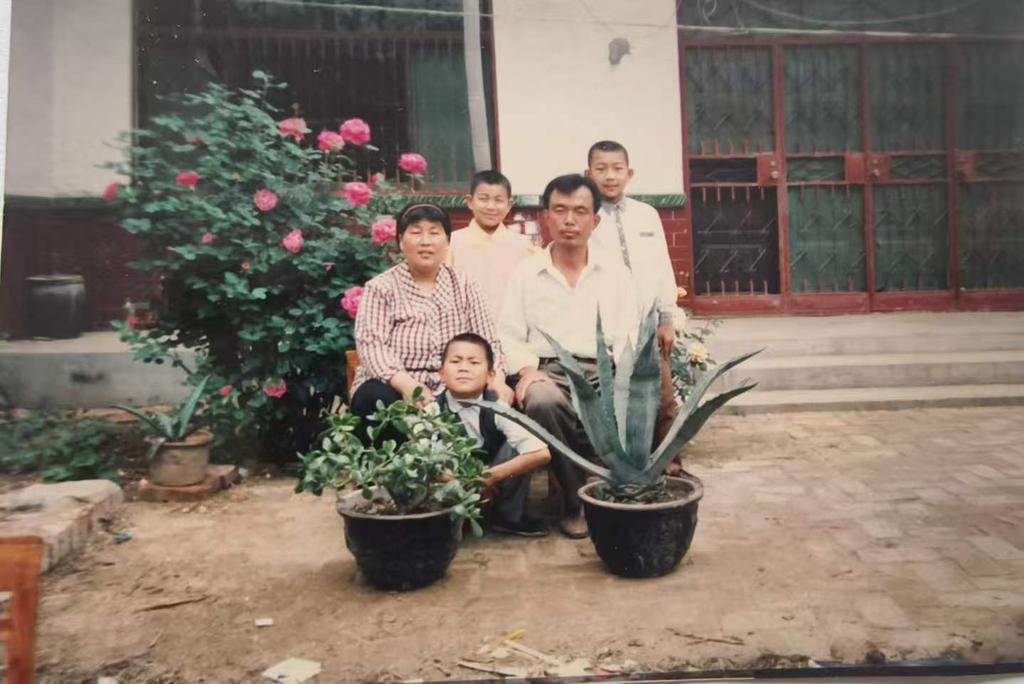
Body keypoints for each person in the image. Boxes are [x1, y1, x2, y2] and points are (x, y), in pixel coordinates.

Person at [499, 174, 638, 539]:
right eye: (560, 210)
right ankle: (575, 502)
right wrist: (528, 371)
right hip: (551, 371)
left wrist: (627, 377)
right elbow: (510, 334)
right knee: (542, 400)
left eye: (580, 211)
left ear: (596, 220)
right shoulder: (527, 274)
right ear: (546, 216)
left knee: (633, 398)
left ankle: (622, 490)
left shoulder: (615, 273)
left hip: (603, 370)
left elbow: (628, 334)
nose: (570, 220)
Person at [351, 202, 514, 440]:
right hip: (394, 384)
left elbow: (488, 341)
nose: (426, 241)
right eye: (416, 232)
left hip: (453, 385)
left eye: (435, 232)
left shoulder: (465, 285)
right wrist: (407, 385)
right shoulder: (380, 288)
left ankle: (474, 474)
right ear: (400, 241)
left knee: (496, 405)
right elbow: (371, 346)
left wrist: (497, 378)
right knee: (376, 399)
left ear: (447, 242)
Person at [585, 140, 680, 450]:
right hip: (606, 328)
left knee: (663, 399)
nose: (610, 176)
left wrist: (666, 319)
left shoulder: (647, 214)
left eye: (617, 169)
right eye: (601, 169)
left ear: (630, 173)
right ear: (589, 173)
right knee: (616, 401)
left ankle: (670, 464)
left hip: (647, 326)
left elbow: (662, 268)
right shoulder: (585, 218)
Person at [434, 333, 551, 537]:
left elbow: (541, 453)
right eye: (455, 361)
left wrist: (488, 478)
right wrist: (464, 482)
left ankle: (508, 516)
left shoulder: (497, 408)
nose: (464, 368)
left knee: (518, 446)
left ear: (490, 375)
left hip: (493, 478)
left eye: (474, 362)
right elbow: (421, 462)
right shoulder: (431, 411)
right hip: (452, 484)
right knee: (429, 456)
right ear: (442, 373)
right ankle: (449, 519)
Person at [446, 170, 535, 319]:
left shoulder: (523, 246)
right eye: (483, 199)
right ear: (470, 201)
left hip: (510, 332)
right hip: (465, 333)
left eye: (498, 200)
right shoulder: (452, 243)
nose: (491, 207)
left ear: (509, 204)